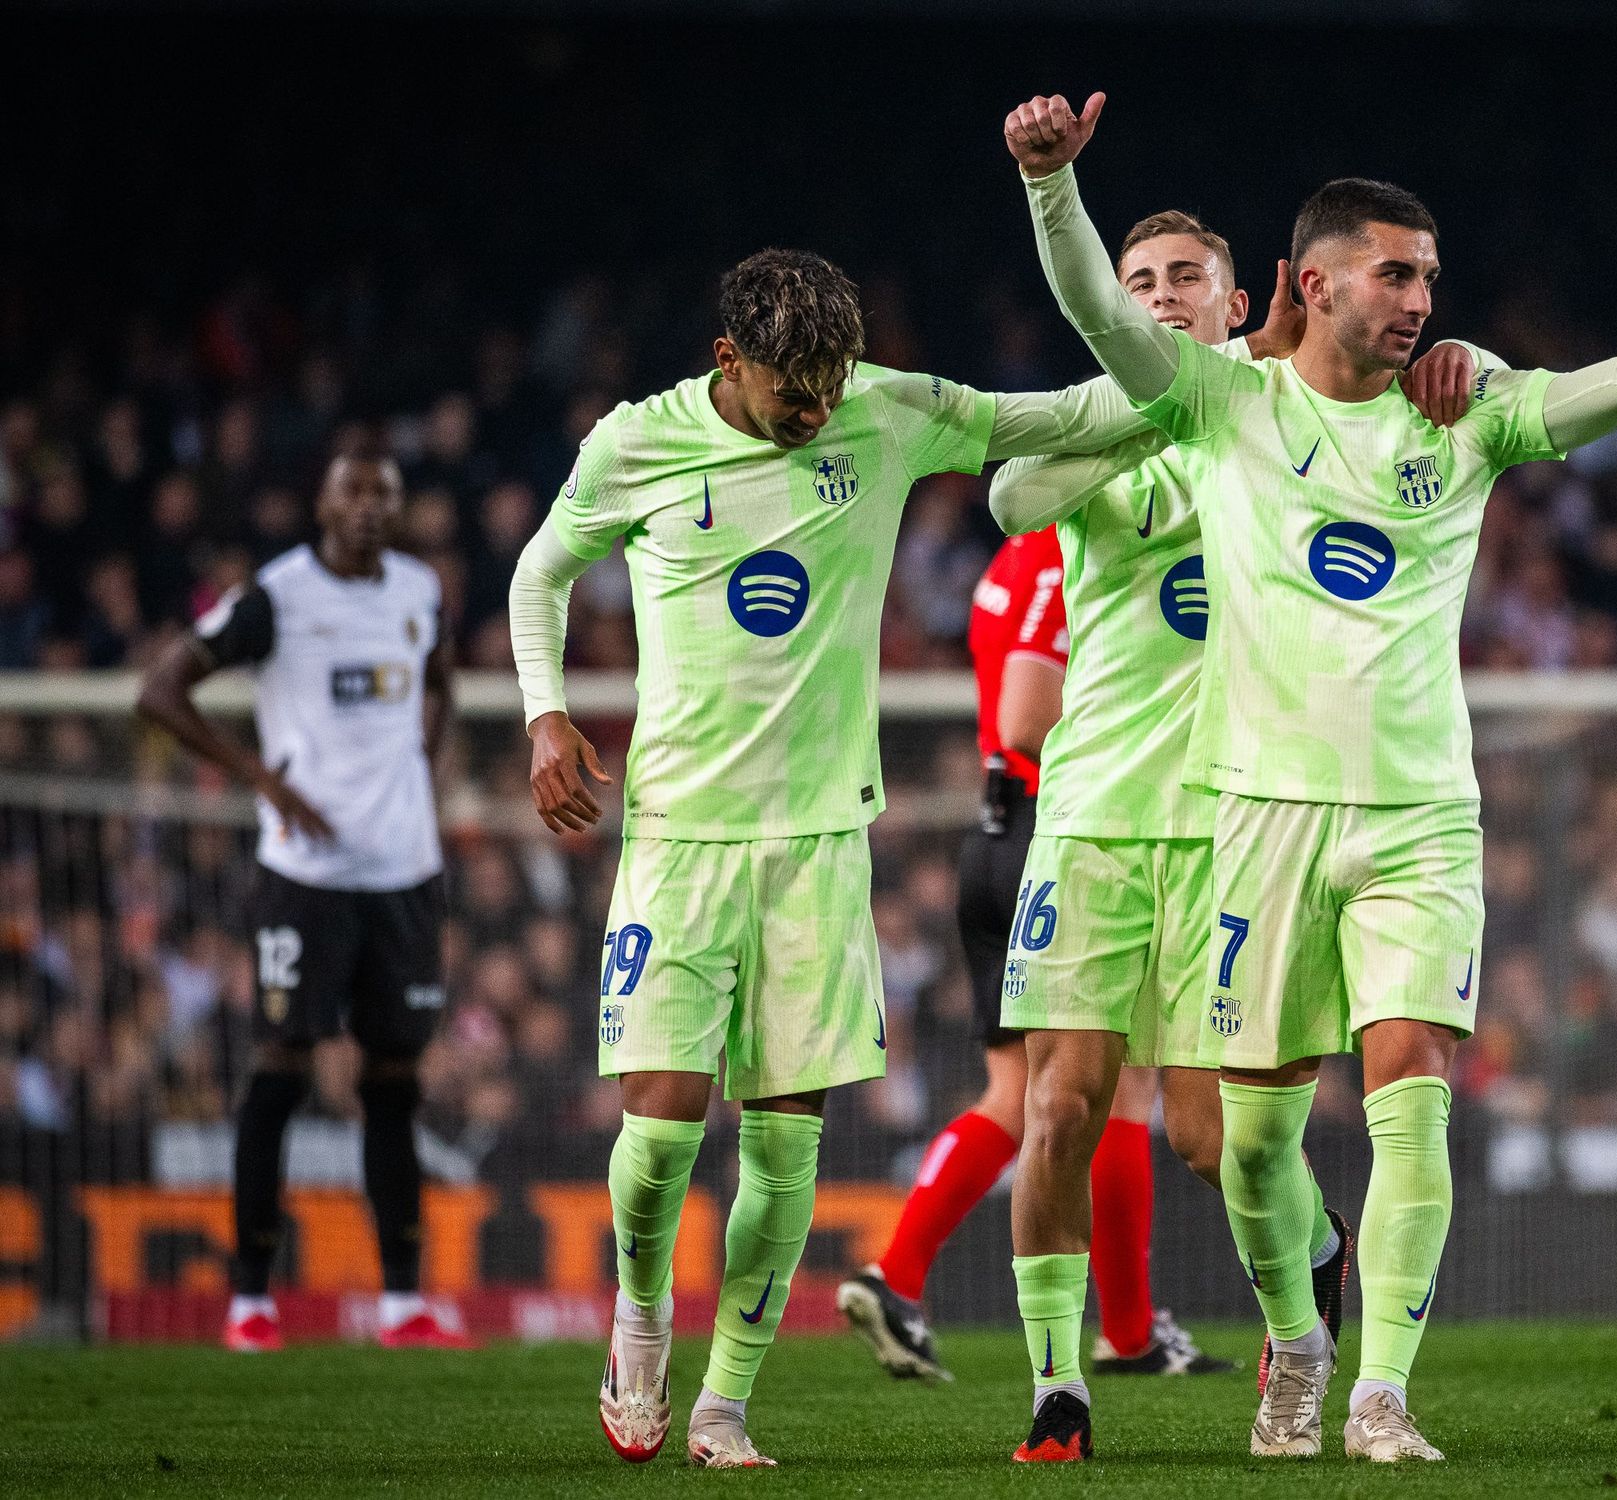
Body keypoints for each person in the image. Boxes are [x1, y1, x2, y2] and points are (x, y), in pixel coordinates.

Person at [1004, 89, 1617, 1462]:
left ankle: (1382, 1391)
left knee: (1414, 1079)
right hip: (1251, 817)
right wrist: (1049, 185)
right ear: (1311, 285)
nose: (1421, 296)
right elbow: (1100, 319)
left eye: (1430, 274)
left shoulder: (1471, 412)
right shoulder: (1223, 402)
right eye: (1394, 272)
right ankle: (1300, 1345)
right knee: (1253, 1152)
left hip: (1421, 817)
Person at [509, 247, 1146, 1468]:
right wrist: (547, 714)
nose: (815, 413)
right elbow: (541, 572)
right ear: (727, 361)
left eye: (829, 387)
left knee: (786, 1141)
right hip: (683, 838)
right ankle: (640, 1318)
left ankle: (724, 1405)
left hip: (818, 843)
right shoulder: (635, 445)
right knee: (657, 1139)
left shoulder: (886, 411)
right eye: (791, 392)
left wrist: (1228, 378)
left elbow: (1060, 415)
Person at [985, 208, 1486, 1461]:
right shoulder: (1127, 420)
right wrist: (1136, 415)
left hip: (1234, 822)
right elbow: (1008, 497)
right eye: (1138, 279)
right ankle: (1060, 1388)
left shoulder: (1271, 423)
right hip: (1096, 820)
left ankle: (1311, 1273)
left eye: (1183, 279)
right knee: (1061, 1106)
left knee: (1218, 1145)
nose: (1157, 296)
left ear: (1241, 300)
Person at [837, 520, 1229, 1385]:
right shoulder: (1074, 544)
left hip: (995, 838)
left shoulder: (1013, 554)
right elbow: (1026, 714)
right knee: (1118, 1087)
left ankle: (900, 1274)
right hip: (1057, 832)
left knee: (1020, 1093)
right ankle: (1124, 1331)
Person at [136, 442, 460, 1353]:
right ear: (322, 504)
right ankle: (248, 1301)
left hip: (403, 871)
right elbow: (159, 690)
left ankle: (404, 1306)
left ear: (395, 509)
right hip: (305, 877)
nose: (366, 508)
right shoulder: (277, 597)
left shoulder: (417, 590)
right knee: (281, 1066)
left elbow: (442, 684)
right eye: (351, 492)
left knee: (394, 1077)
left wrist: (421, 771)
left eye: (382, 495)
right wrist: (259, 780)